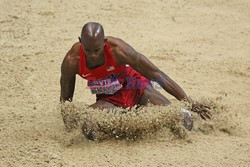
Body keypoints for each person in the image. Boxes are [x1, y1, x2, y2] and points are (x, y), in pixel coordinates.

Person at [60, 22, 211, 136]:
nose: (93, 55)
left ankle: (136, 112)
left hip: (136, 87)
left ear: (104, 42)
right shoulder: (72, 61)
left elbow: (158, 75)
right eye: (88, 50)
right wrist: (69, 125)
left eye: (97, 50)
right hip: (109, 99)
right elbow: (66, 100)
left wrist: (188, 102)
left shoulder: (119, 51)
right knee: (87, 126)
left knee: (183, 119)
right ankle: (127, 116)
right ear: (80, 42)